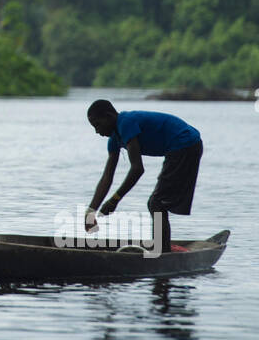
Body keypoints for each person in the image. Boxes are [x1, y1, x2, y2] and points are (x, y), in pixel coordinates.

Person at [84, 99, 203, 254]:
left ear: (109, 116)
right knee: (157, 203)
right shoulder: (114, 139)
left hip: (185, 143)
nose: (97, 131)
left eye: (98, 125)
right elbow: (107, 177)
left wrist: (115, 199)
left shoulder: (126, 123)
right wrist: (91, 211)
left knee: (157, 203)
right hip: (178, 147)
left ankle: (162, 252)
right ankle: (162, 248)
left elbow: (137, 169)